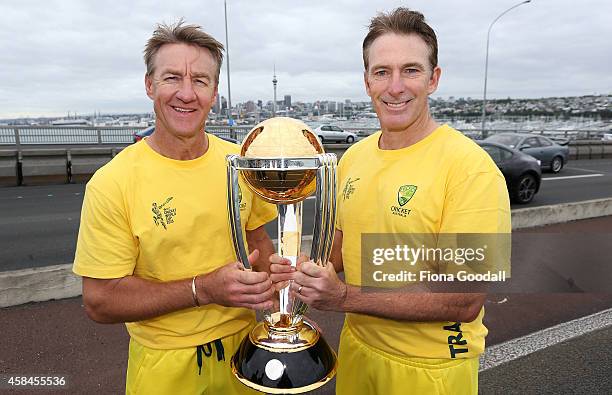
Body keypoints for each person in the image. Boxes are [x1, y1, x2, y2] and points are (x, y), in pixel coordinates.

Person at [270, 8, 511, 395]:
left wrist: (343, 296)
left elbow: (463, 299)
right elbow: (343, 244)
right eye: (382, 72)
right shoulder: (354, 158)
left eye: (411, 70)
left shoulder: (470, 169)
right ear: (367, 82)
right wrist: (304, 272)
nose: (395, 86)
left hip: (431, 367)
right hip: (358, 349)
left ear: (433, 79)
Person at [73, 20, 277, 394]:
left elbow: (258, 242)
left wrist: (279, 284)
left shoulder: (240, 163)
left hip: (249, 352)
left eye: (200, 80)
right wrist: (204, 289)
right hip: (166, 366)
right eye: (172, 78)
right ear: (150, 85)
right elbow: (100, 301)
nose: (186, 93)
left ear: (215, 92)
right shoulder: (112, 182)